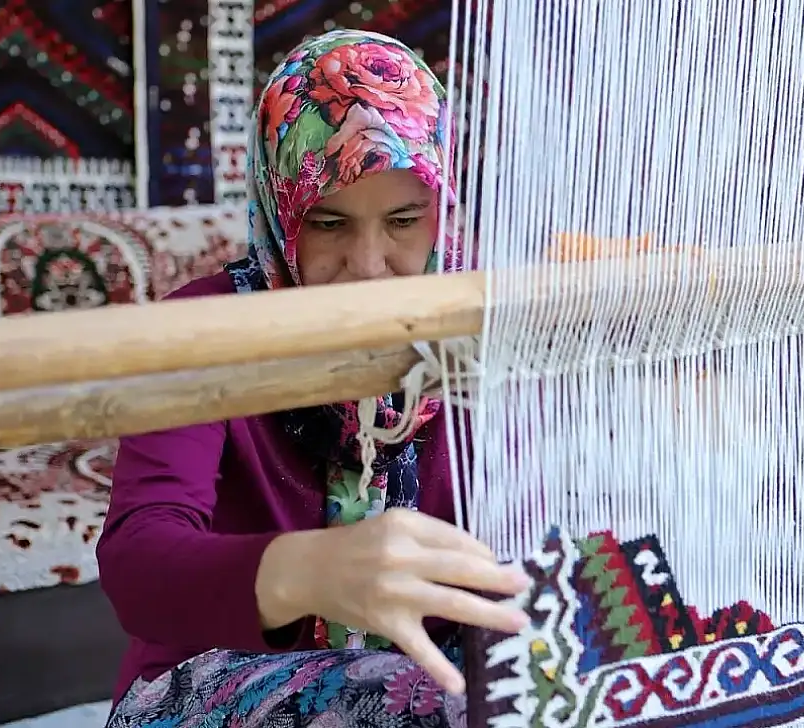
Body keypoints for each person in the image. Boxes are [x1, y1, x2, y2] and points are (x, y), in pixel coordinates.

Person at [98, 30, 530, 727]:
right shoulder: (202, 328)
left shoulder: (481, 327)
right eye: (328, 223)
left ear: (443, 210)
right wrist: (314, 570)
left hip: (444, 666)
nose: (367, 264)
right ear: (281, 211)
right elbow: (138, 564)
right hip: (208, 684)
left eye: (403, 220)